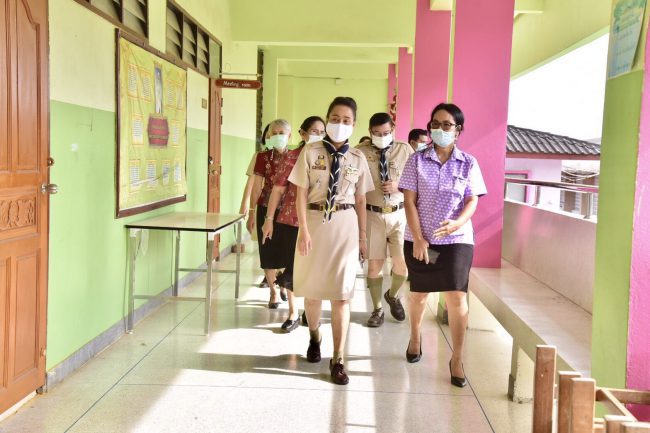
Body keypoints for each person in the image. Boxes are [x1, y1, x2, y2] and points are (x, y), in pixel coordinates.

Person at [398, 103, 486, 388]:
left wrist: (458, 223)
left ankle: (457, 358)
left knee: (457, 298)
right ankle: (415, 337)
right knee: (419, 295)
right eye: (435, 124)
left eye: (446, 124)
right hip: (420, 238)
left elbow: (472, 200)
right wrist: (419, 237)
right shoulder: (416, 160)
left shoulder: (468, 163)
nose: (439, 129)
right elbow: (409, 201)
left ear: (458, 130)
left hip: (457, 240)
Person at [288, 96, 373, 385]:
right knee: (312, 293)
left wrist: (362, 237)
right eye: (335, 119)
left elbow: (360, 200)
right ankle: (314, 337)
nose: (340, 124)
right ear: (327, 121)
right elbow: (300, 193)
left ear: (354, 125)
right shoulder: (310, 151)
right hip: (313, 223)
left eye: (346, 120)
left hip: (345, 225)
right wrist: (303, 230)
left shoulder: (358, 158)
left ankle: (338, 358)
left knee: (341, 295)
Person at [262, 116, 326, 332]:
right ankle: (293, 312)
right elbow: (277, 191)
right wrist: (268, 220)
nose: (318, 135)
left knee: (313, 268)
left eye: (322, 132)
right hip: (291, 219)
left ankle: (310, 309)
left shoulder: (328, 157)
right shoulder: (291, 157)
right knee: (292, 266)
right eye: (314, 131)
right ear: (302, 133)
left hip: (318, 221)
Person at [356, 112, 413, 327]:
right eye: (377, 133)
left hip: (399, 214)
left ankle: (393, 295)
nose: (382, 137)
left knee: (402, 264)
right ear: (370, 132)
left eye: (386, 132)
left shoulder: (405, 149)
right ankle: (377, 309)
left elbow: (416, 181)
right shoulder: (360, 152)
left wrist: (399, 185)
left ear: (393, 129)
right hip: (372, 214)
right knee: (375, 265)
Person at [247, 119, 293, 308]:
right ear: (268, 135)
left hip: (287, 210)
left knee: (285, 250)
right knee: (267, 249)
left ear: (289, 135)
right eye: (274, 133)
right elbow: (256, 186)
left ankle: (282, 284)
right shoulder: (262, 157)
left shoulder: (295, 157)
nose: (278, 136)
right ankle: (273, 291)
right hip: (265, 208)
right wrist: (251, 212)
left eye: (282, 133)